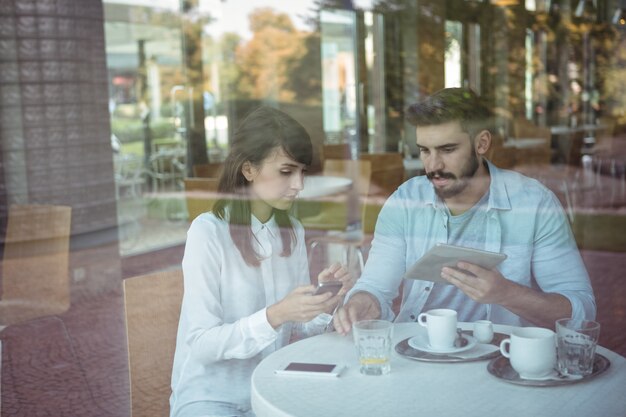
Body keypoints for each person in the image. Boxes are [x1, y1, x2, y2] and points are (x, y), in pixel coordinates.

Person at [333, 87, 595, 335]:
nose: (433, 165)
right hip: (418, 354)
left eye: (448, 150)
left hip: (502, 360)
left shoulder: (534, 204)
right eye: (425, 150)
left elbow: (581, 313)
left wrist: (506, 293)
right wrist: (363, 301)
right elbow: (376, 287)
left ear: (481, 143)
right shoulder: (405, 201)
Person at [170, 106, 351, 417]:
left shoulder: (291, 231)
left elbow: (297, 325)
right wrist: (274, 315)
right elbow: (201, 344)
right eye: (286, 171)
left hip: (271, 389)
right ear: (248, 169)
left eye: (302, 171)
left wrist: (324, 302)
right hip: (211, 398)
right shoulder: (208, 232)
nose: (299, 185)